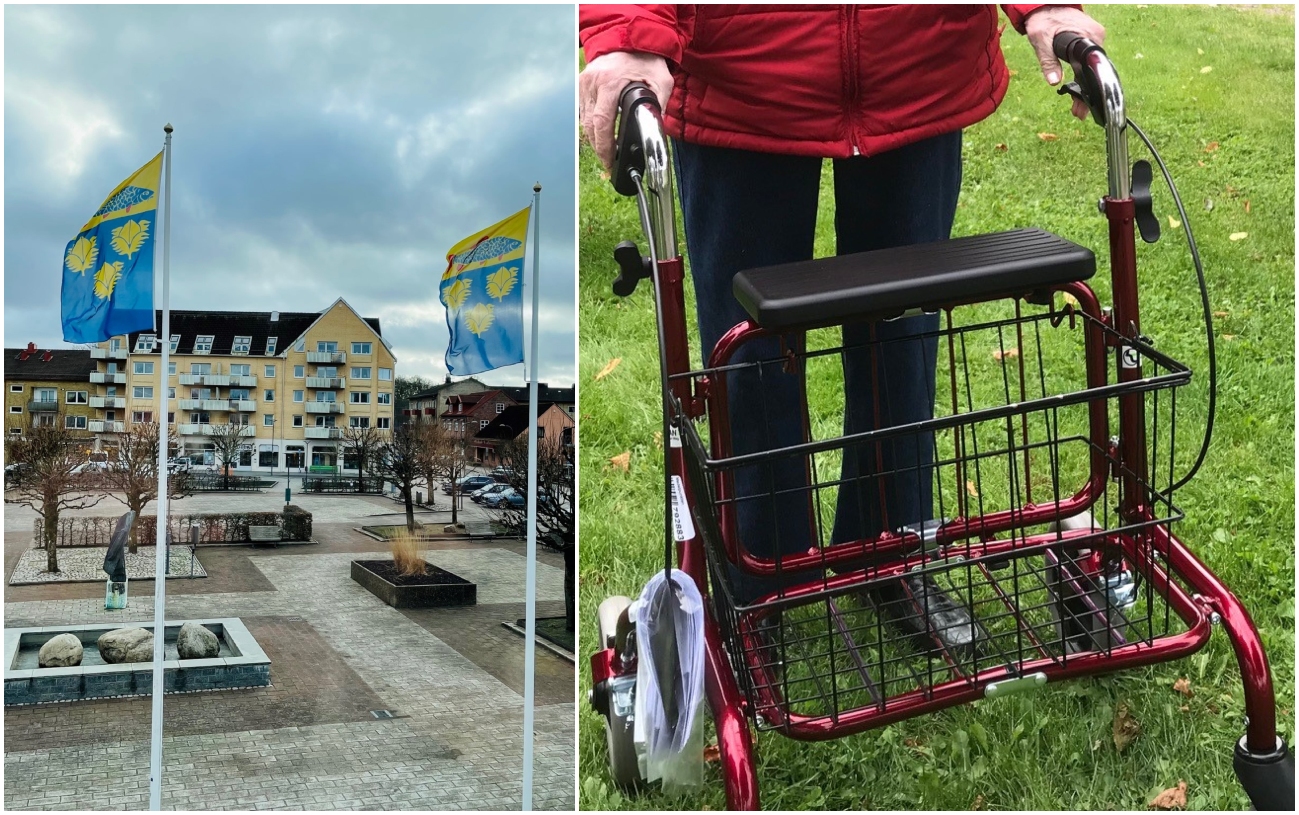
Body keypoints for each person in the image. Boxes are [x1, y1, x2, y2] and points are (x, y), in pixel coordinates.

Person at [578, 6, 1107, 646]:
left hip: (916, 61)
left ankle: (892, 552)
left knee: (904, 336)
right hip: (744, 66)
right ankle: (760, 582)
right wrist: (629, 31)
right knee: (745, 355)